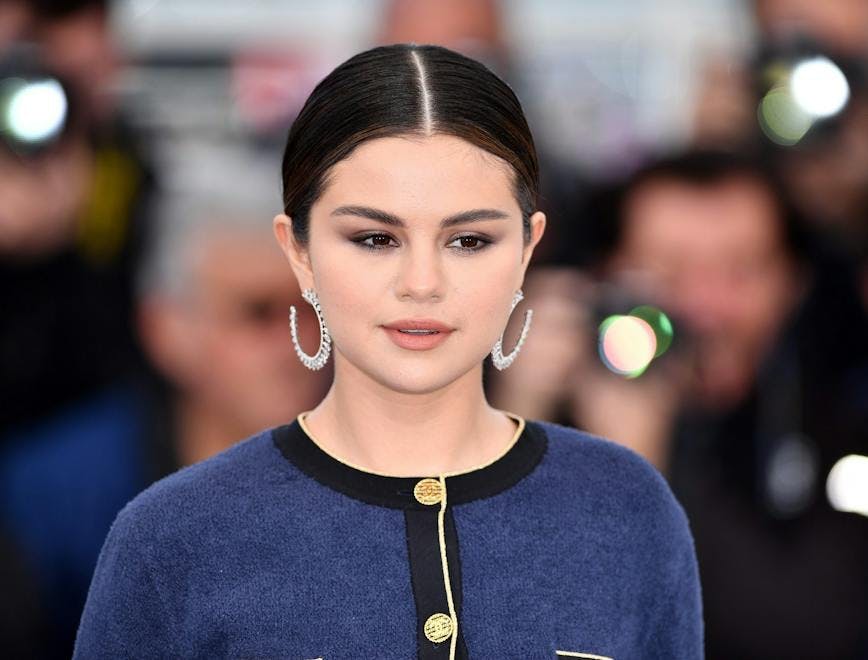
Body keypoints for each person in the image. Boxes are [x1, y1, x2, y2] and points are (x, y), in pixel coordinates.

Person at [73, 43, 703, 659]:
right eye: (375, 238)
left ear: (528, 250)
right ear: (298, 251)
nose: (422, 283)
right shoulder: (172, 537)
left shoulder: (627, 507)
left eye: (469, 240)